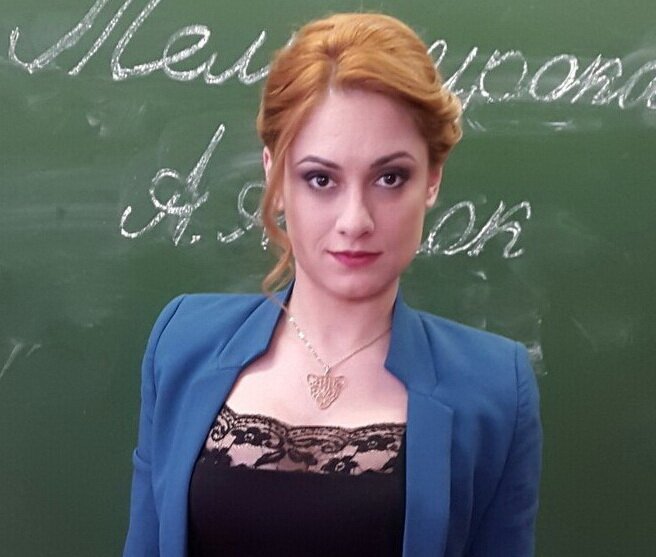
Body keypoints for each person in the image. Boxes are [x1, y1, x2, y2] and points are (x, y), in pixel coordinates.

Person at [123, 12, 542, 557]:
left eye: (389, 178)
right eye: (321, 179)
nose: (355, 220)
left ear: (432, 180)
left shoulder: (494, 386)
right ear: (276, 177)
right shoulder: (182, 341)